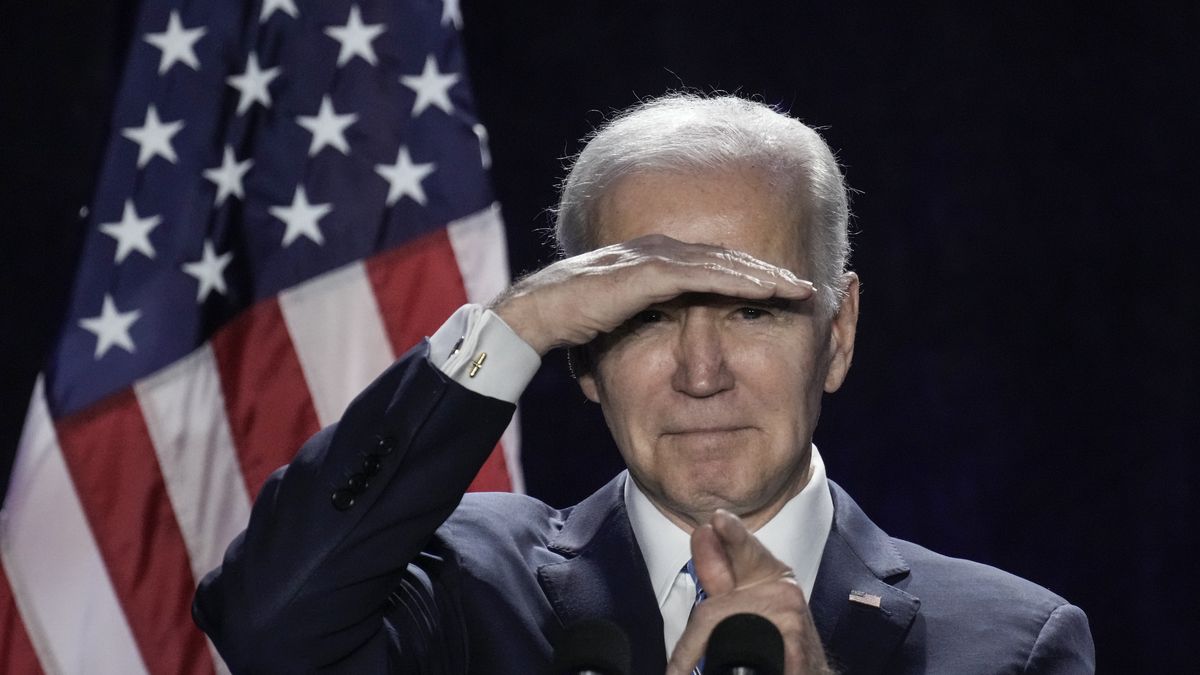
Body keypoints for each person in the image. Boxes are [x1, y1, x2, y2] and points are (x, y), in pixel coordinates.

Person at [193, 93, 1095, 674]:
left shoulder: (1011, 644)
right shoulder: (462, 587)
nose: (701, 372)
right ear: (581, 357)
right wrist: (516, 326)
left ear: (839, 333)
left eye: (753, 311)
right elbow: (269, 624)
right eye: (644, 315)